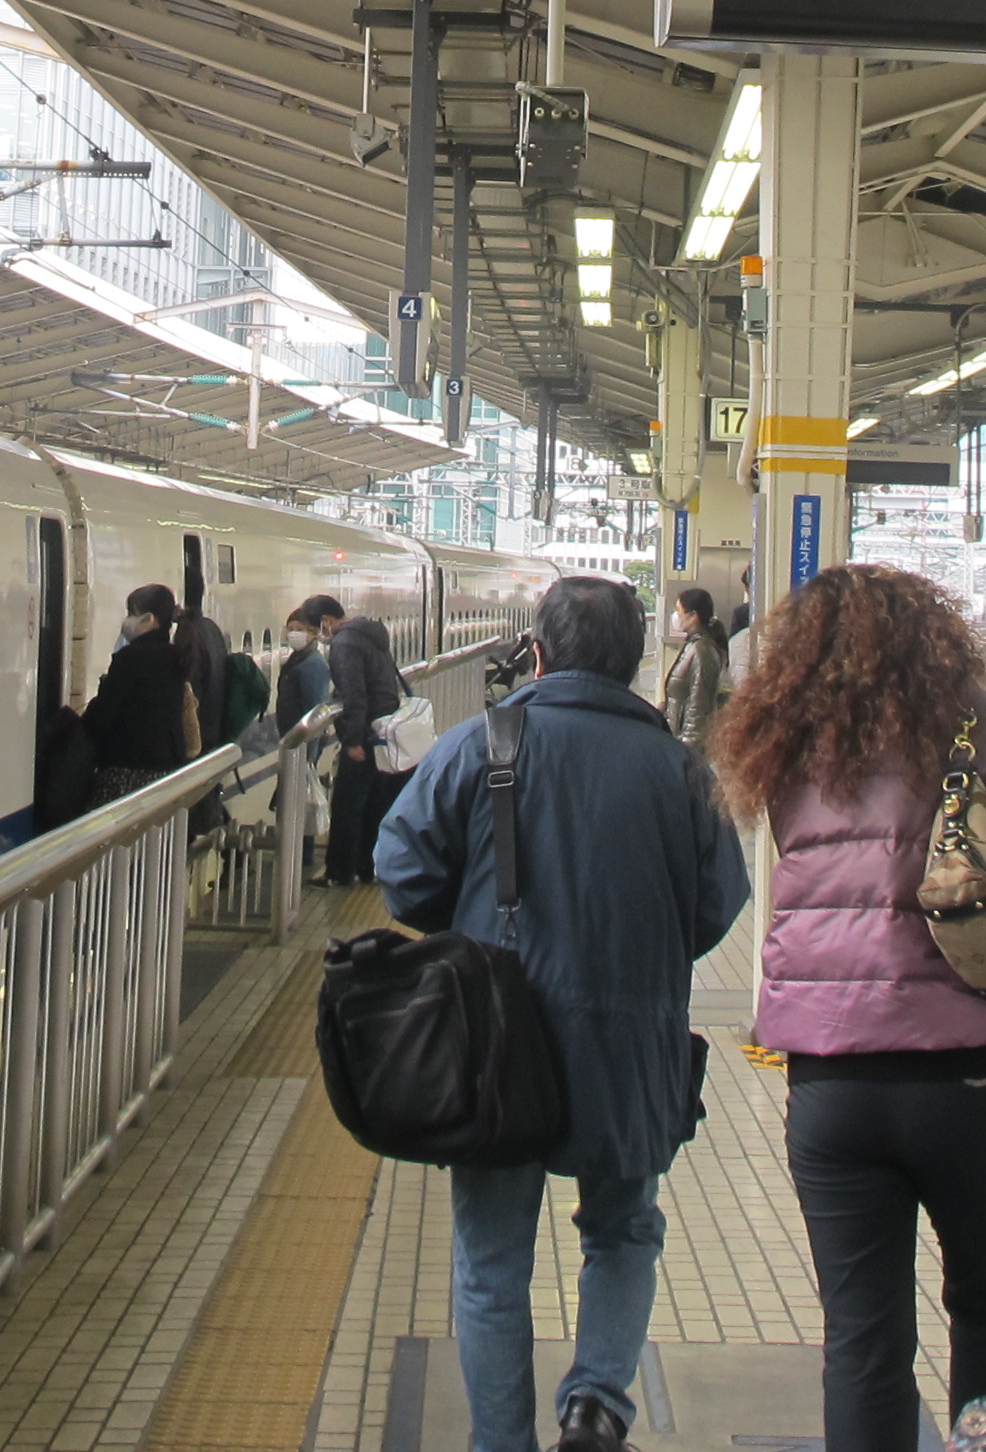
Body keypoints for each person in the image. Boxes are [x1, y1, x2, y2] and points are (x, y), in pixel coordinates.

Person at [715, 564, 986, 1452]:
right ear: (928, 640)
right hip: (969, 1078)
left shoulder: (783, 742)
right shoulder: (964, 730)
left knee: (863, 1336)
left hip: (832, 1084)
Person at [377, 576, 749, 1452]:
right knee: (623, 1228)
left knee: (491, 1259)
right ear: (632, 661)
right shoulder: (680, 769)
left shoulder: (483, 743)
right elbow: (718, 902)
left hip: (498, 1041)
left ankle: (502, 1442)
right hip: (634, 1039)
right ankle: (595, 1406)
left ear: (537, 653)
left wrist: (470, 925)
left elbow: (401, 871)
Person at [81, 583, 198, 804]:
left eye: (131, 614)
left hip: (127, 772)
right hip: (165, 771)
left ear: (149, 619)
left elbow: (102, 716)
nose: (127, 620)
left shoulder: (130, 658)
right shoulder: (176, 657)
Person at [324, 594, 410, 887]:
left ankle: (341, 872)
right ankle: (368, 867)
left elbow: (353, 694)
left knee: (348, 805)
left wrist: (352, 740)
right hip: (384, 729)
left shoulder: (344, 643)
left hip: (365, 733)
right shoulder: (371, 634)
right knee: (376, 802)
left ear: (325, 621)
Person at [658, 587, 730, 749]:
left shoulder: (701, 651)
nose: (676, 617)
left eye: (679, 611)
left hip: (688, 745)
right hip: (677, 738)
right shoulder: (693, 645)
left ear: (693, 616)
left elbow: (699, 704)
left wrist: (688, 746)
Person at [172, 568, 233, 755]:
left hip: (196, 737)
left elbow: (189, 685)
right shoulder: (211, 628)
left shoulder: (186, 634)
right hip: (214, 730)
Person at [277, 598, 337, 730]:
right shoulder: (296, 659)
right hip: (293, 735)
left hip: (303, 737)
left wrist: (309, 740)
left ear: (313, 633)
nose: (293, 634)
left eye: (299, 630)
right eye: (290, 629)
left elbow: (314, 712)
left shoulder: (313, 664)